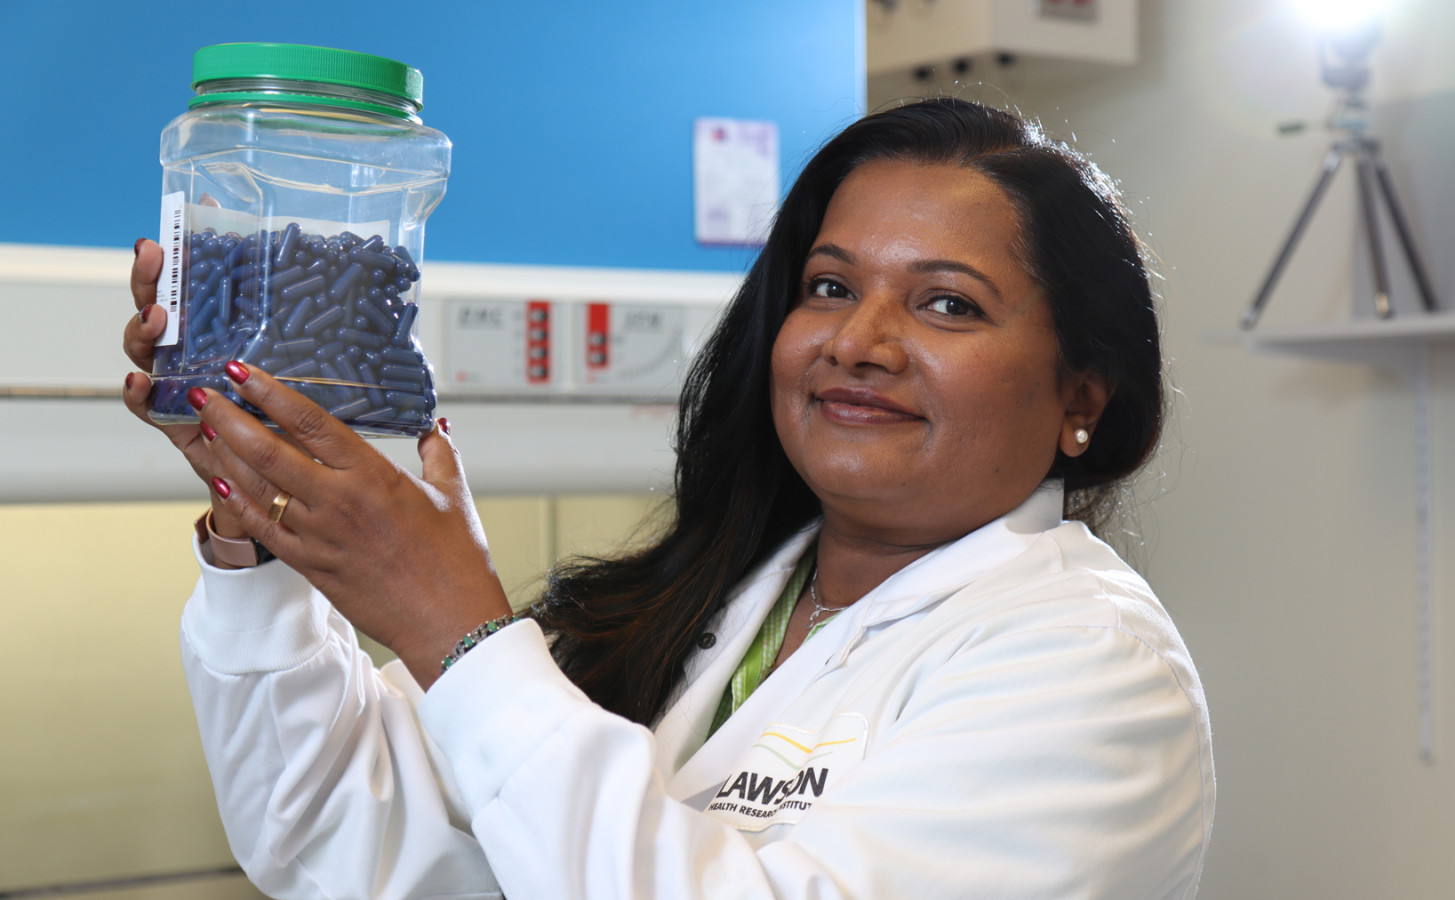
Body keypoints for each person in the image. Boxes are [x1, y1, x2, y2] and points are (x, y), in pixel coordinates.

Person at [123, 97, 1213, 899]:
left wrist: (457, 631)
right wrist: (254, 509)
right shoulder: (704, 605)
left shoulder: (1088, 666)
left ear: (1082, 396)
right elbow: (331, 840)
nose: (857, 342)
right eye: (830, 286)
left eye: (947, 305)